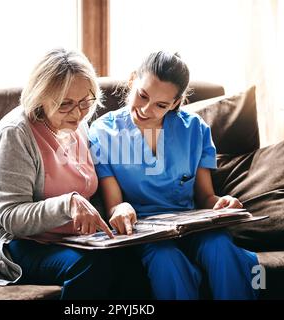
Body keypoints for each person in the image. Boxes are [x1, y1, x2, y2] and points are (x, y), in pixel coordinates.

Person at [88, 51, 259, 300]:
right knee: (165, 260)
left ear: (176, 103)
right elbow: (114, 206)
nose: (146, 110)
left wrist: (222, 204)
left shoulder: (195, 129)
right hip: (144, 230)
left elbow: (206, 197)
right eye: (142, 95)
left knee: (221, 248)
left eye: (161, 105)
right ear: (132, 80)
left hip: (192, 225)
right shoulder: (102, 132)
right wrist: (121, 208)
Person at [0, 48, 116, 300]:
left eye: (86, 102)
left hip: (76, 239)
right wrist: (68, 204)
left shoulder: (79, 124)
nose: (78, 113)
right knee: (91, 267)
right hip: (26, 243)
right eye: (65, 104)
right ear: (40, 97)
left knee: (133, 260)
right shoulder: (16, 133)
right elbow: (10, 216)